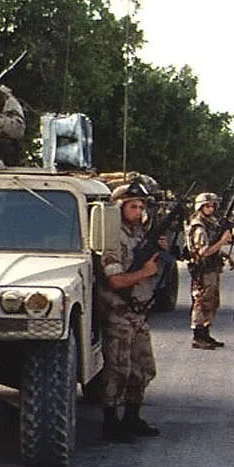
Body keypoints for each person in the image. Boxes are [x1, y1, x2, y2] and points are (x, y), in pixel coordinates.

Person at [96, 182, 168, 442]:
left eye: (141, 206)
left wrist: (159, 251)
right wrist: (143, 273)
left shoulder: (139, 235)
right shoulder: (112, 239)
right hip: (118, 311)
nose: (138, 211)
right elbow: (115, 281)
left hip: (138, 312)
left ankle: (132, 417)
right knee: (118, 370)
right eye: (132, 206)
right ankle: (110, 422)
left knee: (143, 369)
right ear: (119, 208)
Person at [186, 192, 233, 350]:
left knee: (211, 301)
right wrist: (222, 242)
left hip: (211, 268)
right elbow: (204, 251)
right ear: (200, 207)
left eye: (212, 205)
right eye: (207, 206)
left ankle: (205, 334)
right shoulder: (199, 226)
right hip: (203, 269)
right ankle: (198, 336)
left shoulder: (209, 223)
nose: (210, 208)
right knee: (201, 302)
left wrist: (225, 255)